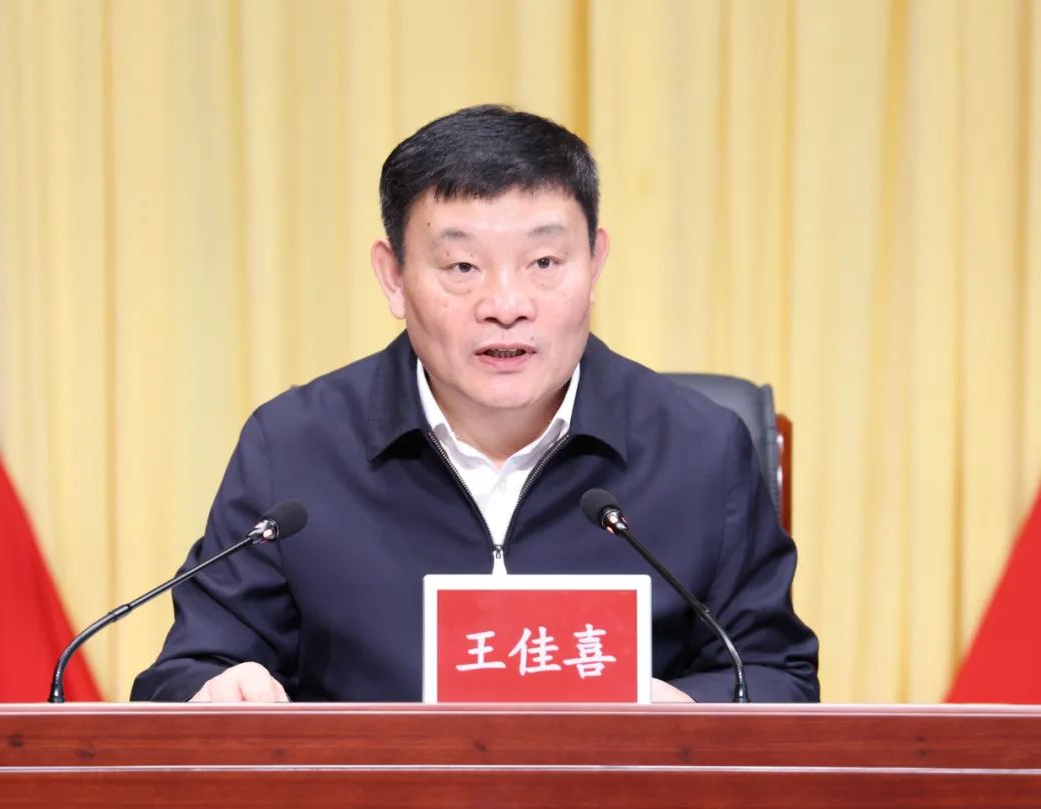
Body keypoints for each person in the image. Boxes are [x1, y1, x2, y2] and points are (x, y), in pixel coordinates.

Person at [131, 105, 819, 704]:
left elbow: (779, 675)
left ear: (595, 264)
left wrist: (686, 711)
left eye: (544, 263)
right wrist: (218, 690)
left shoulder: (700, 449)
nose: (506, 305)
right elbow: (187, 670)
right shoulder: (294, 448)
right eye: (462, 267)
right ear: (393, 278)